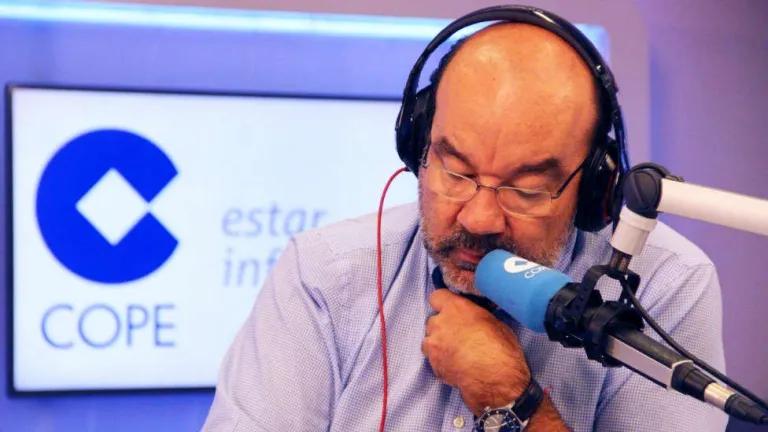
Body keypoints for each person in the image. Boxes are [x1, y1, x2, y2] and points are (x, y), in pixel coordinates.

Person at [202, 6, 727, 431]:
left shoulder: (663, 288)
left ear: (595, 190)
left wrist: (513, 400)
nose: (477, 219)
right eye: (455, 171)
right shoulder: (324, 276)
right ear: (418, 145)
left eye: (524, 189)